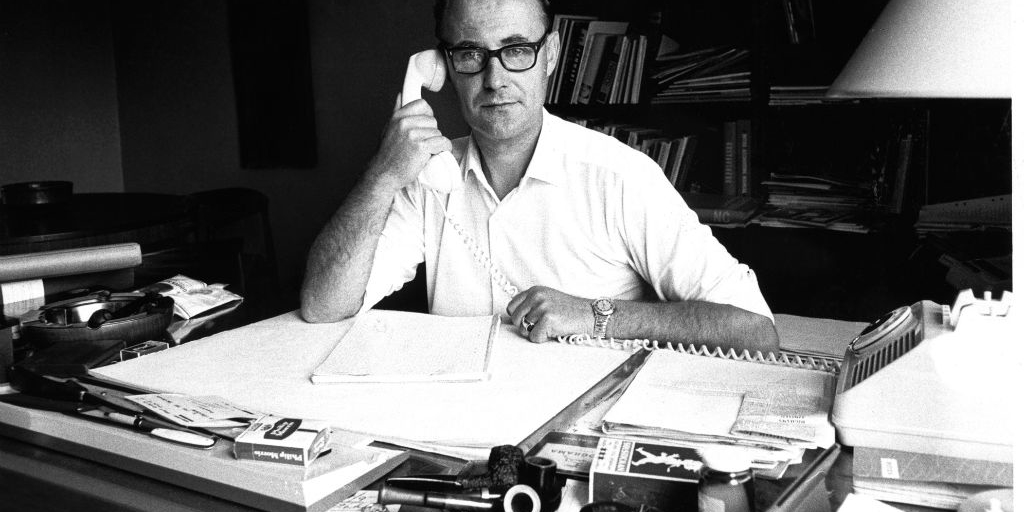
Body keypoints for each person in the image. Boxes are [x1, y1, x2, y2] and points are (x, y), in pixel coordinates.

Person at [301, 0, 780, 353]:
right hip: (463, 424)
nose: (494, 80)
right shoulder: (427, 178)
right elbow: (323, 306)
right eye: (470, 53)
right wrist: (382, 176)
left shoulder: (620, 177)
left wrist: (595, 316)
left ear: (550, 54)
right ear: (442, 67)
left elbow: (754, 329)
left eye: (517, 50)